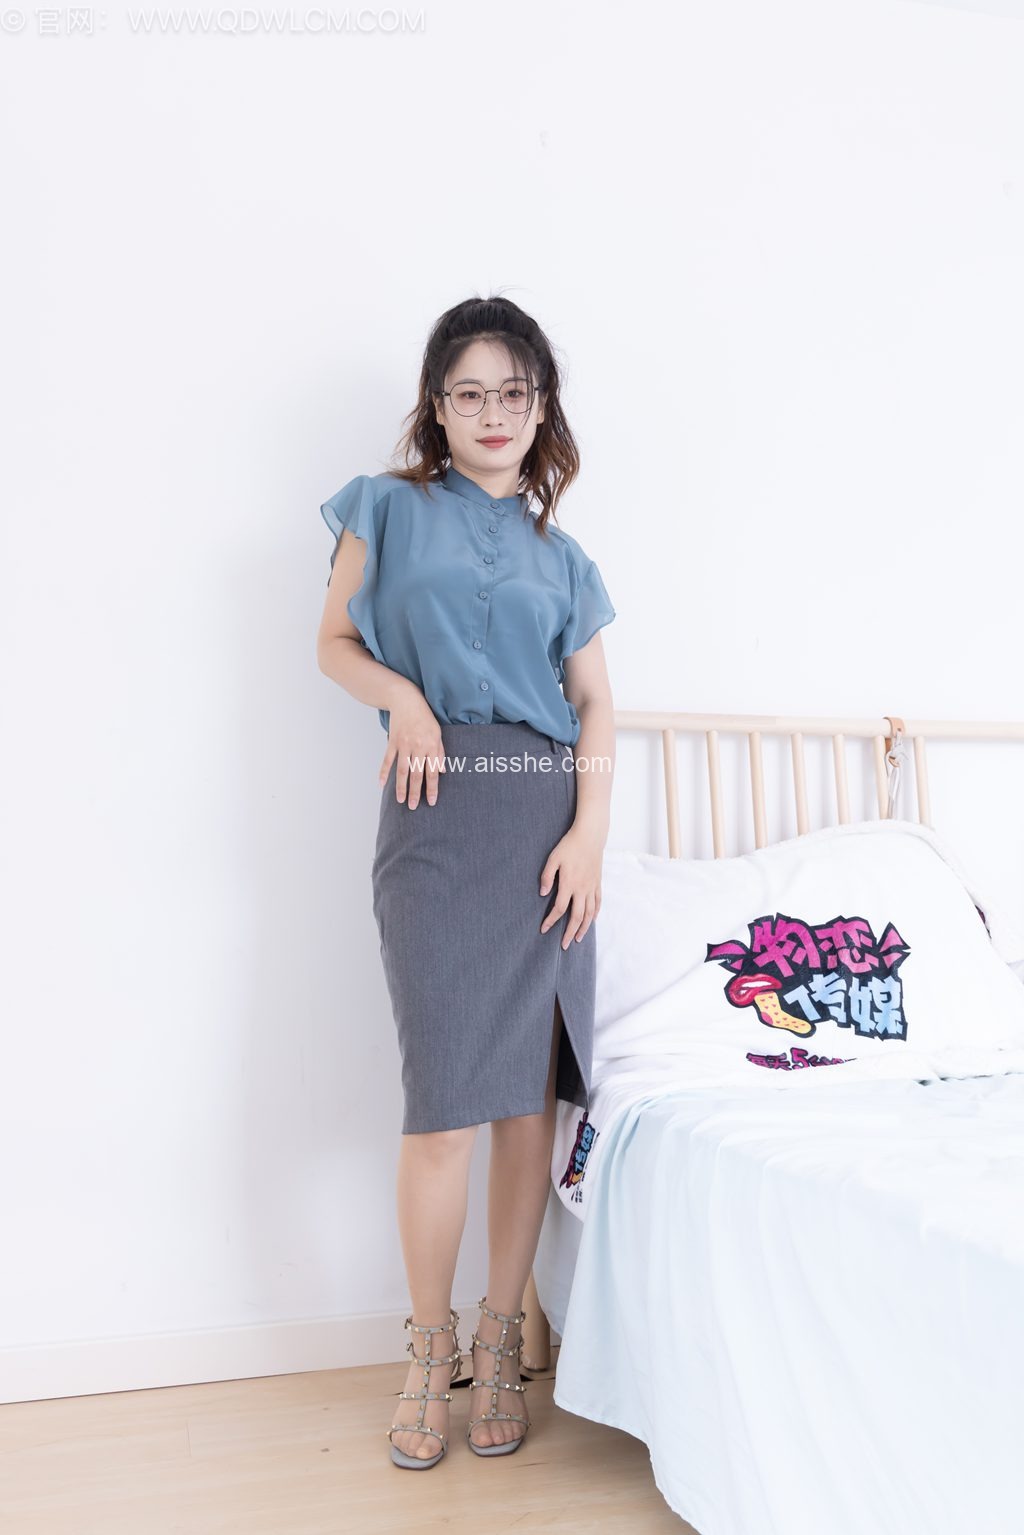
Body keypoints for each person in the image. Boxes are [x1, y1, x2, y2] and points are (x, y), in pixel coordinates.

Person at [315, 295, 616, 1469]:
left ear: (541, 409)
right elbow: (333, 642)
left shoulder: (564, 557)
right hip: (435, 817)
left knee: (523, 1107)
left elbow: (594, 703)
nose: (493, 412)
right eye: (469, 391)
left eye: (514, 392)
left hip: (544, 827)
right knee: (443, 1102)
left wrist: (589, 832)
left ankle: (500, 1340)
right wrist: (403, 699)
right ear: (437, 407)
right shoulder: (383, 508)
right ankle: (426, 1342)